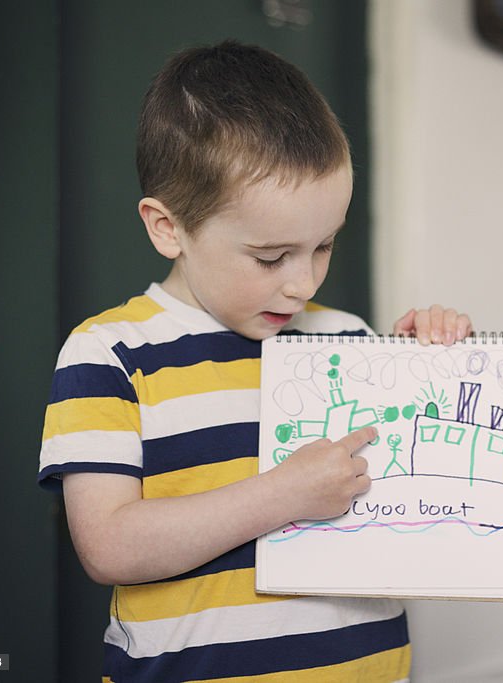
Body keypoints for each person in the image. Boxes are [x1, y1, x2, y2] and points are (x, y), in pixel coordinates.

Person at [38, 40, 472, 682]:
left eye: (324, 245)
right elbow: (108, 545)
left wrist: (429, 373)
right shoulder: (110, 352)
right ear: (168, 228)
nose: (304, 284)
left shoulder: (345, 339)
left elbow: (414, 502)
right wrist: (283, 494)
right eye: (272, 258)